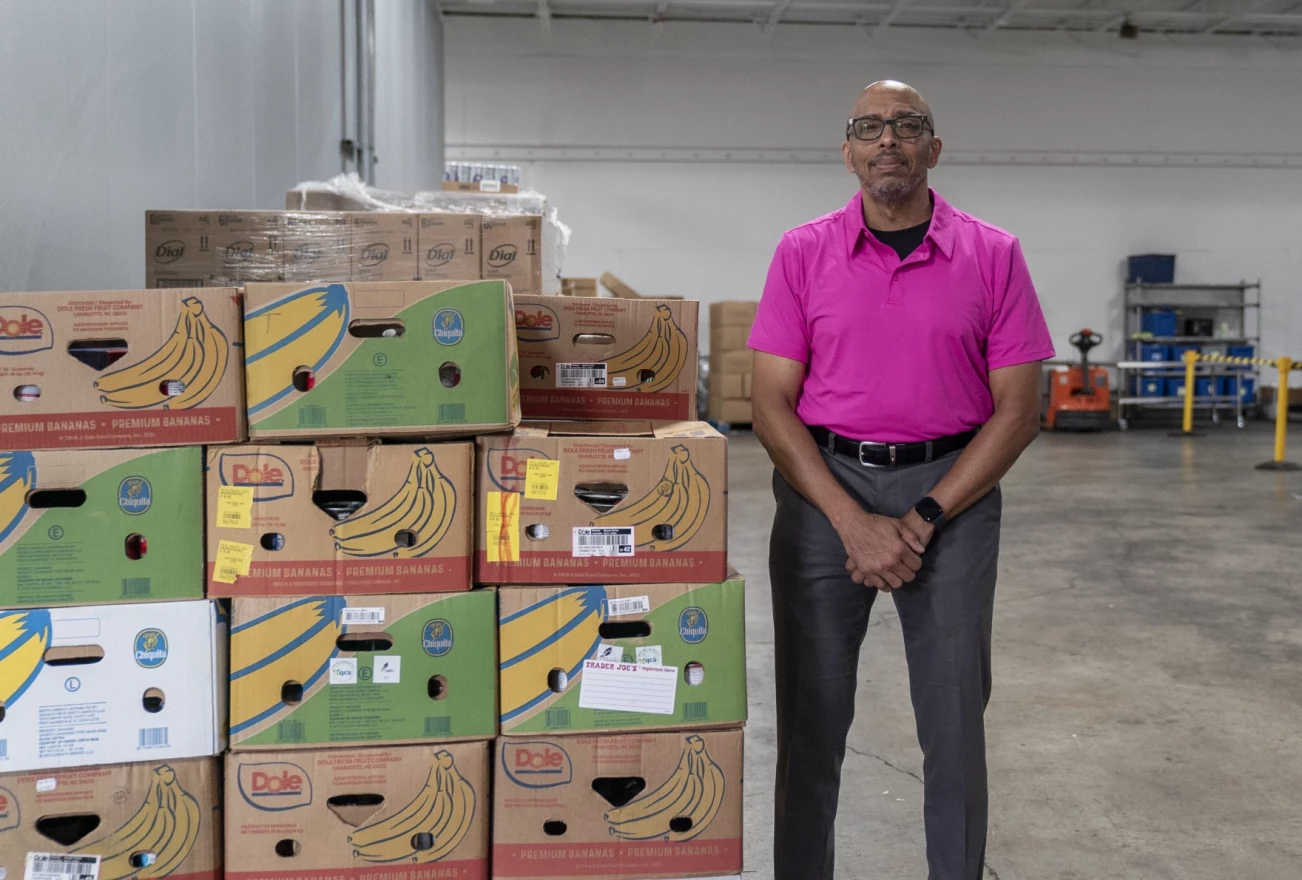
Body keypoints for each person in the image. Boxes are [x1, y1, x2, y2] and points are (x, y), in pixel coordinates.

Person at [748, 80, 1056, 880]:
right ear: (848, 150)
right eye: (870, 127)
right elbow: (770, 404)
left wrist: (924, 515)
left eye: (907, 126)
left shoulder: (994, 255)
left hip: (951, 493)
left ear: (934, 147)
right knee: (810, 721)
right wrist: (853, 522)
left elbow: (1020, 409)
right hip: (825, 493)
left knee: (954, 725)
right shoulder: (802, 251)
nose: (888, 139)